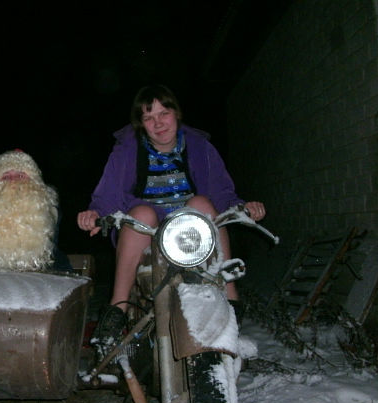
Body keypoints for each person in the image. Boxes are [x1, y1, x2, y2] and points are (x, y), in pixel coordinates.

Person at [77, 84, 266, 343]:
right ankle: (117, 307)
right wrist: (96, 213)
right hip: (148, 231)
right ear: (141, 124)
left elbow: (221, 192)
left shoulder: (200, 147)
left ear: (176, 113)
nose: (158, 123)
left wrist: (243, 208)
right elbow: (110, 190)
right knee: (142, 213)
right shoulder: (127, 149)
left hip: (192, 230)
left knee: (202, 203)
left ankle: (230, 295)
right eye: (149, 117)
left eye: (163, 113)